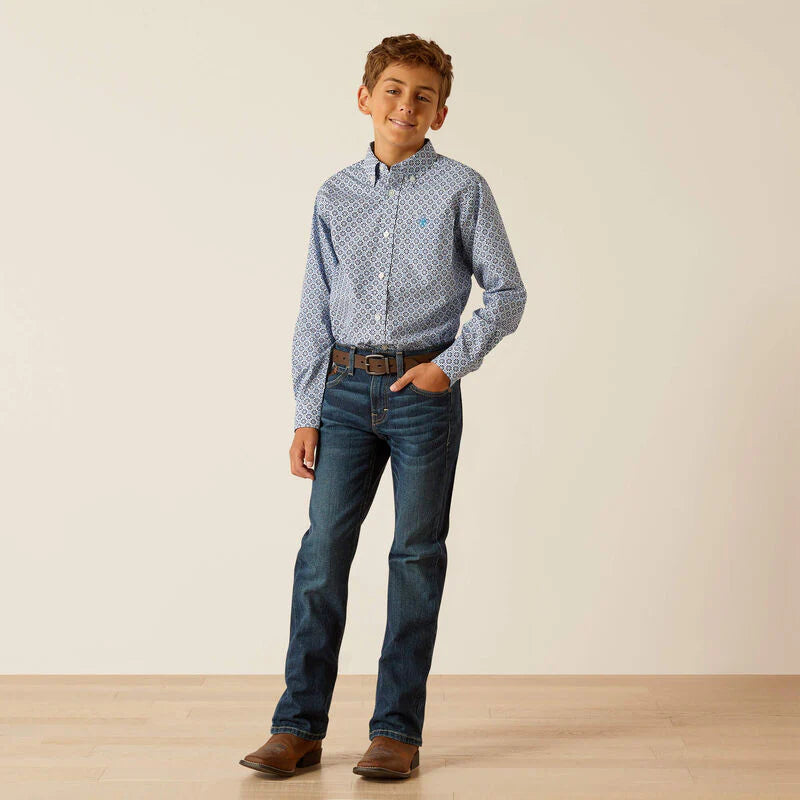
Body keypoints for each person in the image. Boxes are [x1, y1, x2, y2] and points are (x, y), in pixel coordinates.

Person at [240, 32, 527, 780]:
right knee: (321, 556)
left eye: (423, 96)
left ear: (440, 113)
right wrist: (306, 408)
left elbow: (506, 291)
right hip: (340, 393)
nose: (406, 105)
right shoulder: (334, 194)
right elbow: (314, 306)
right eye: (393, 90)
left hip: (421, 397)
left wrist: (449, 367)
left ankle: (396, 732)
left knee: (415, 557)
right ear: (365, 98)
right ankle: (297, 728)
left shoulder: (462, 189)